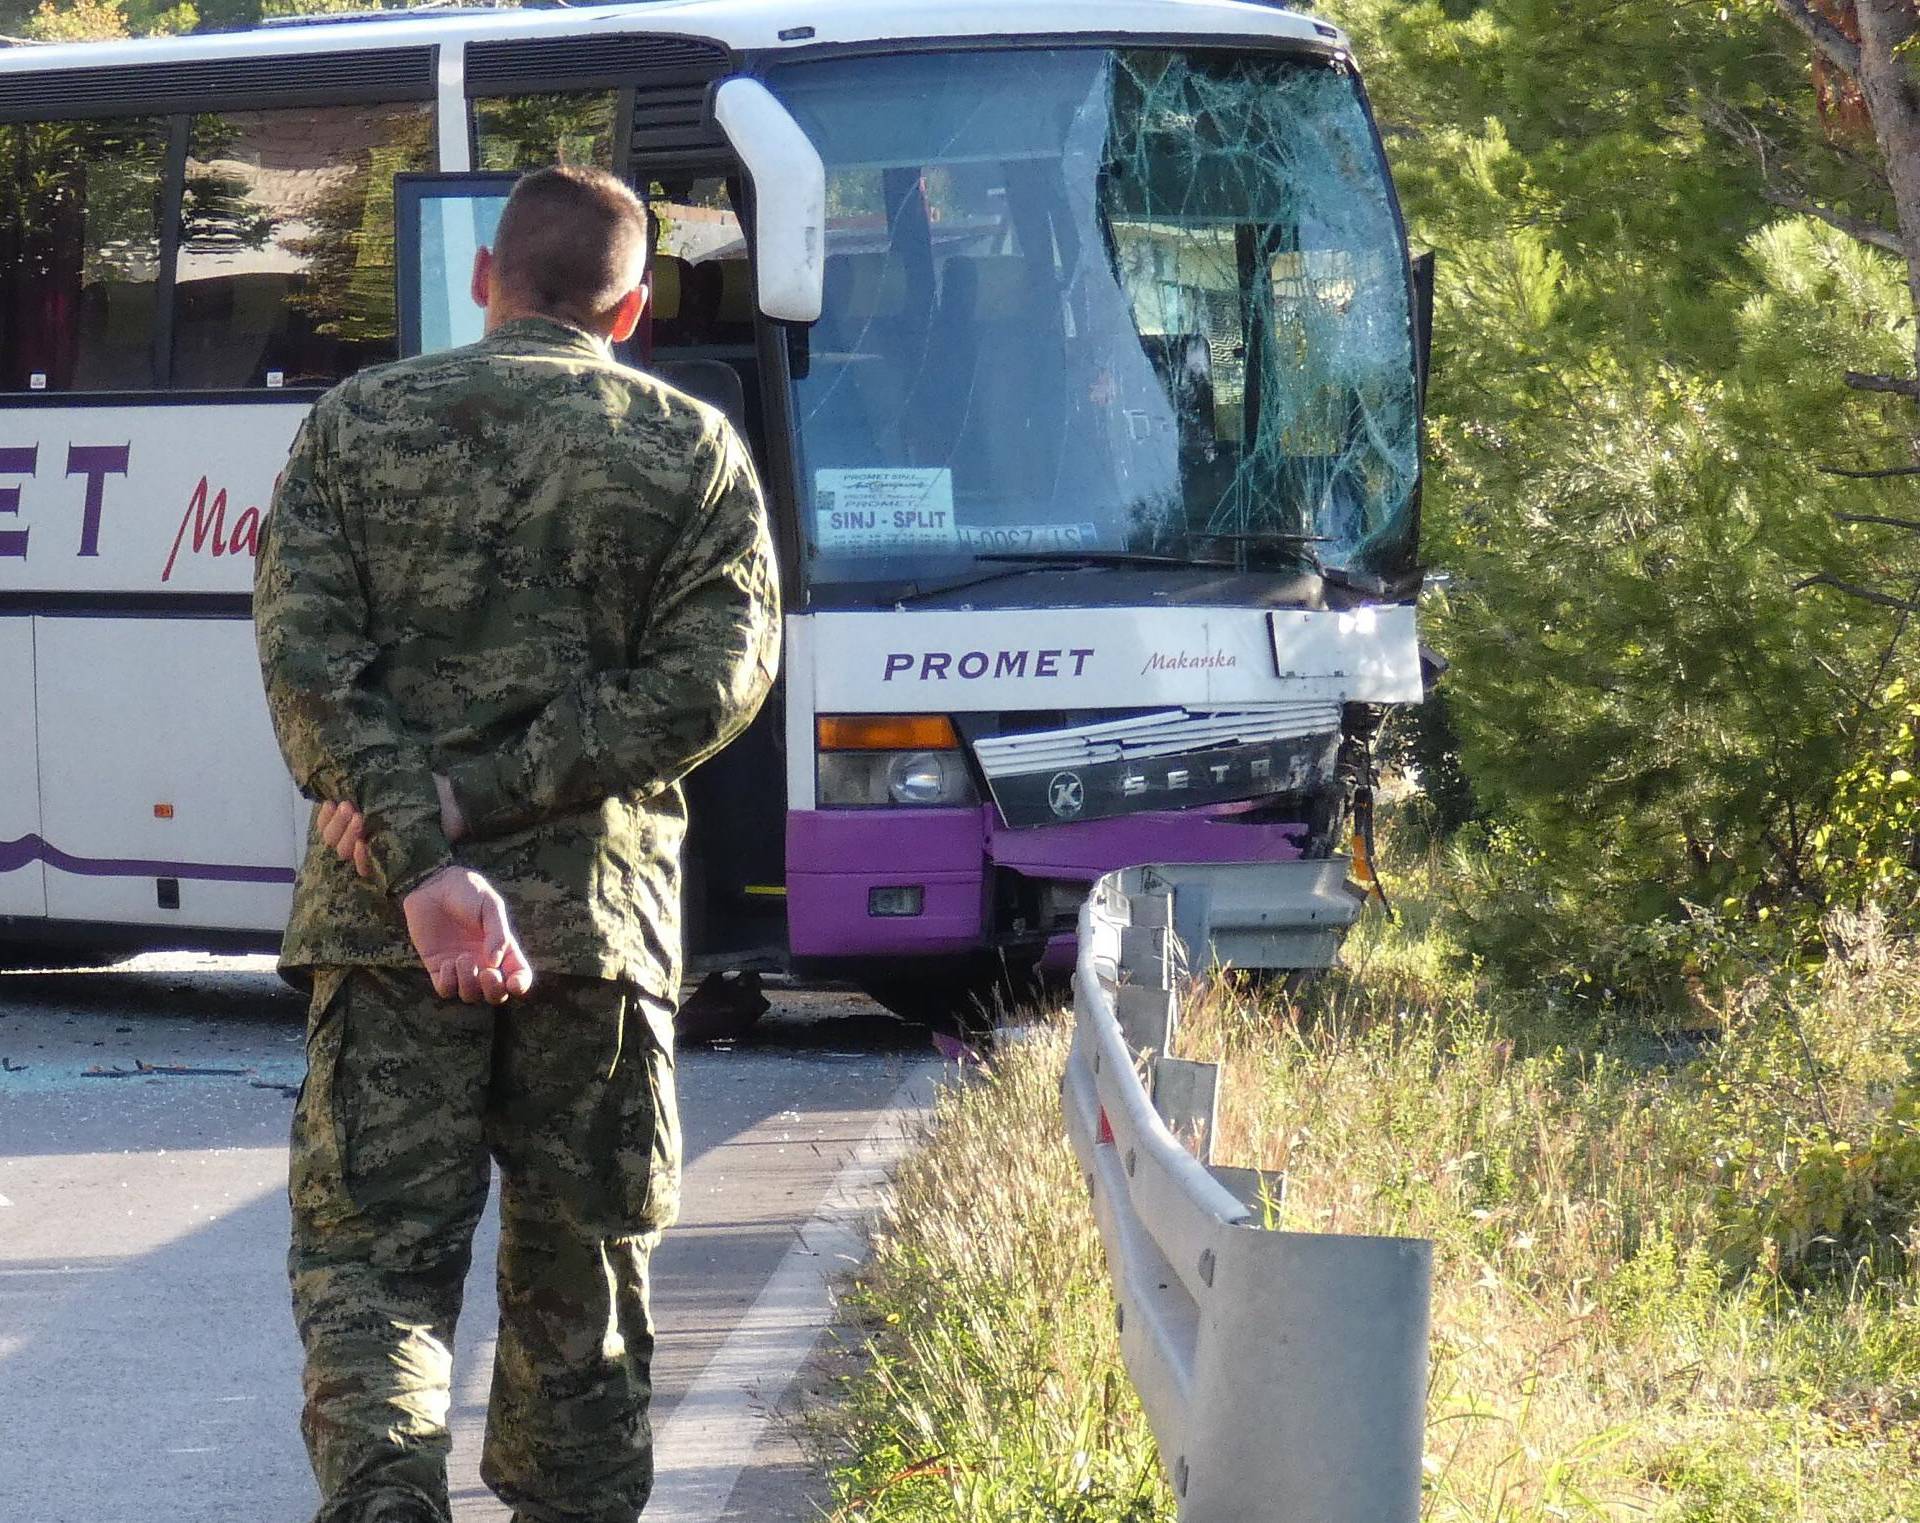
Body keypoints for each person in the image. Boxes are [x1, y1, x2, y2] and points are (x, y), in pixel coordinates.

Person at [253, 164, 781, 1523]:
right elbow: (713, 683)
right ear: (635, 307)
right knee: (583, 1278)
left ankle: (383, 1504)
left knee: (375, 1270)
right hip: (598, 936)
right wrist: (477, 805)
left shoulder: (351, 427)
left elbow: (308, 661)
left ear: (484, 280)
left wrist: (420, 850)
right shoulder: (691, 452)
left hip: (385, 935)